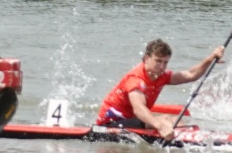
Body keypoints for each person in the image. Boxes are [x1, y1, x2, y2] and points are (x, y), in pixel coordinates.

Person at [95, 38, 225, 139]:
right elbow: (139, 109)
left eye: (165, 62)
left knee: (175, 121)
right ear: (147, 58)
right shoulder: (135, 79)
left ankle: (189, 138)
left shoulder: (160, 76)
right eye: (158, 61)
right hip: (110, 125)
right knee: (165, 120)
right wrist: (161, 127)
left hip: (132, 121)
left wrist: (210, 59)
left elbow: (191, 75)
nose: (162, 67)